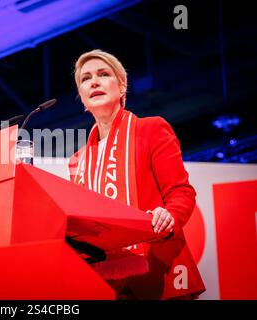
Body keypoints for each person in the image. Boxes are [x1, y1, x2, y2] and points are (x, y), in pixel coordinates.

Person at [68, 49, 205, 300]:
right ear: (82, 98)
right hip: (105, 283)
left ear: (122, 88)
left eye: (103, 74)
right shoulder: (78, 160)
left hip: (156, 272)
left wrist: (169, 216)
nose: (94, 81)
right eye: (85, 79)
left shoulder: (151, 129)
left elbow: (181, 192)